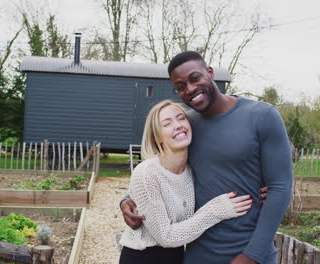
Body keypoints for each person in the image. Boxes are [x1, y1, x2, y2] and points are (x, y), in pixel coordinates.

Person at [121, 51, 292, 264]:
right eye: (181, 87)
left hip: (250, 253)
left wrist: (252, 256)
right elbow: (162, 172)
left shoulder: (262, 116)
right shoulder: (187, 125)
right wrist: (128, 200)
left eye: (195, 78)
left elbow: (280, 188)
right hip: (198, 255)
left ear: (210, 73)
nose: (191, 89)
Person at [119, 100, 254, 264]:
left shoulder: (194, 170)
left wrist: (259, 187)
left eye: (181, 118)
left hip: (177, 256)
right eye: (167, 123)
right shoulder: (147, 172)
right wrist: (215, 211)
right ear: (157, 137)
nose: (178, 125)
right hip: (143, 257)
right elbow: (166, 237)